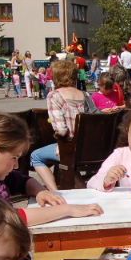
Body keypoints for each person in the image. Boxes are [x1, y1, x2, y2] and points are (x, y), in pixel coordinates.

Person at [0, 112, 103, 227]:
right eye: (14, 158)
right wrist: (67, 209)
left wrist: (40, 191)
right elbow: (9, 217)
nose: (16, 165)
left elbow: (24, 181)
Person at [30, 61, 91, 192]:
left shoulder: (54, 96)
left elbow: (61, 130)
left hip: (69, 148)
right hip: (88, 148)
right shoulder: (85, 95)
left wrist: (56, 134)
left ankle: (54, 191)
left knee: (35, 156)